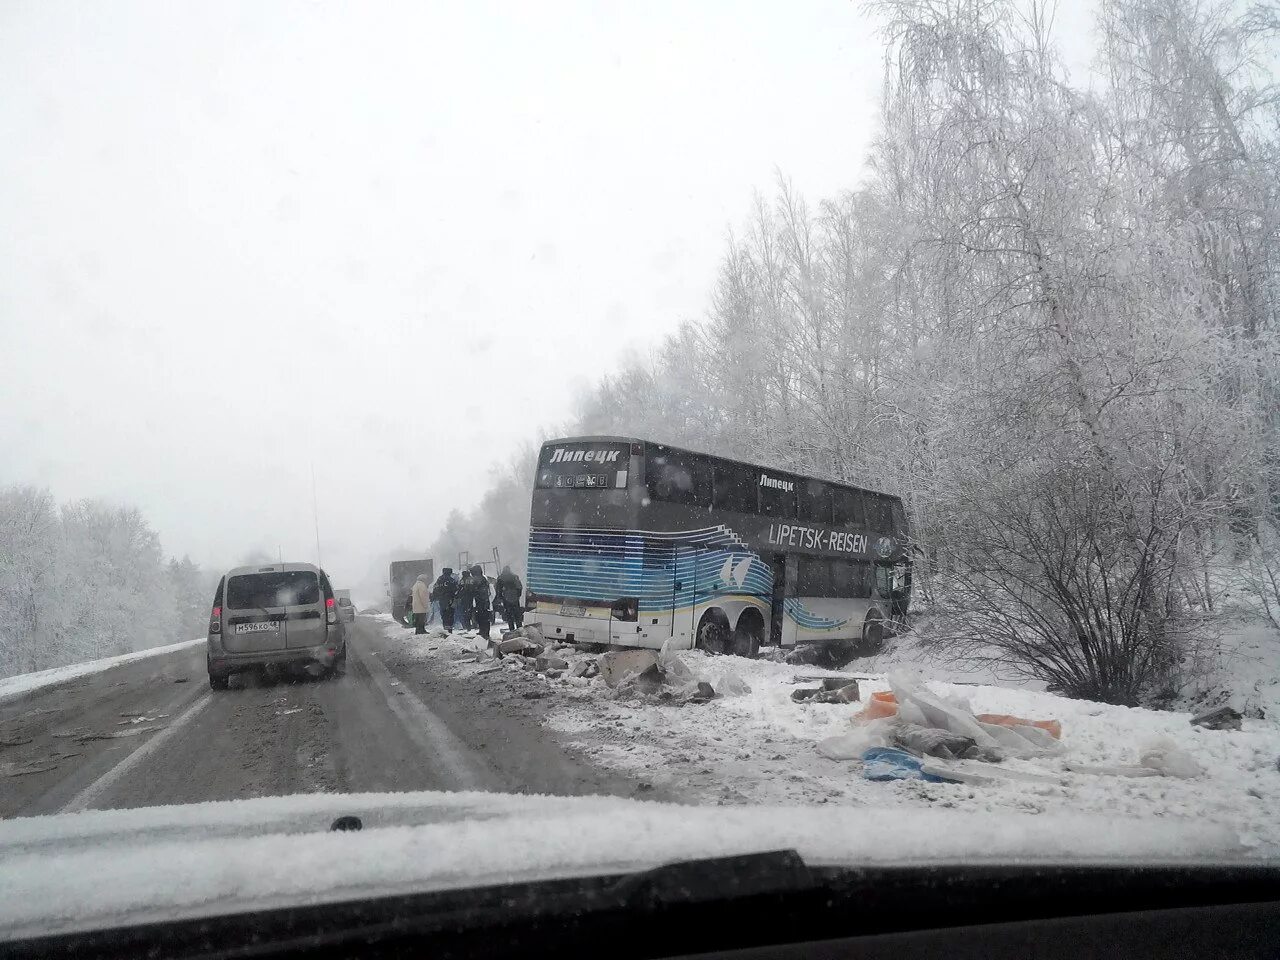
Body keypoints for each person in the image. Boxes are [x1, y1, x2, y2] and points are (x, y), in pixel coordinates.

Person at [467, 563, 493, 640]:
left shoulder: (480, 579)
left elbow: (476, 590)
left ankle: (485, 633)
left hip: (482, 601)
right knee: (481, 617)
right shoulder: (482, 578)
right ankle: (483, 631)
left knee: (483, 617)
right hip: (481, 601)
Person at [495, 565, 524, 632]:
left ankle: (512, 630)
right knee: (517, 615)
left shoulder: (500, 578)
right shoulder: (515, 577)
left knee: (509, 615)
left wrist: (500, 598)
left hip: (506, 598)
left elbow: (498, 589)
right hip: (515, 598)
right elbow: (519, 587)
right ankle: (519, 629)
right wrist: (518, 595)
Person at [430, 567, 460, 633]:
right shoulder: (451, 580)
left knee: (443, 614)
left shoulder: (439, 579)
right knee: (450, 614)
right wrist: (455, 597)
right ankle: (449, 629)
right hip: (450, 599)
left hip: (442, 599)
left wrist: (436, 597)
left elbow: (435, 589)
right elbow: (456, 590)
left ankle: (445, 627)